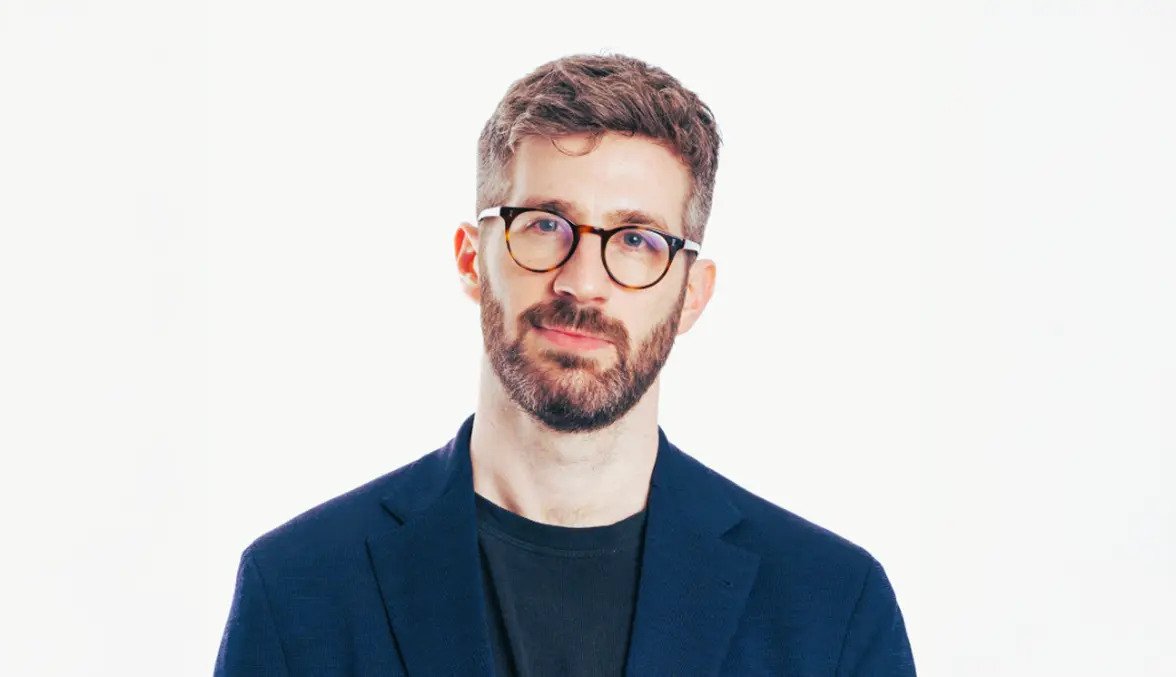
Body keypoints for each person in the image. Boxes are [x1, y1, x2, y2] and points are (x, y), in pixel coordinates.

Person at [214, 52, 916, 676]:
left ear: (693, 295)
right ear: (472, 259)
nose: (583, 282)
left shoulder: (833, 609)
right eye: (546, 225)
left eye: (637, 240)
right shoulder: (299, 589)